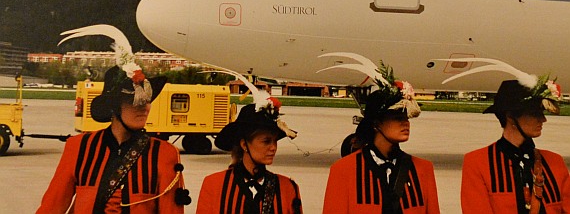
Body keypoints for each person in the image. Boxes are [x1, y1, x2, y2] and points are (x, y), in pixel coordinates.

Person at [37, 25, 191, 213]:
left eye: (147, 100)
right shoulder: (78, 147)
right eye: (135, 101)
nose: (145, 107)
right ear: (114, 106)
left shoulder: (165, 154)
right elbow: (52, 207)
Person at [320, 53, 440, 213]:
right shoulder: (343, 171)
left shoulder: (423, 170)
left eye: (406, 117)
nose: (406, 123)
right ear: (376, 123)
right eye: (397, 117)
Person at [449, 58, 570, 213]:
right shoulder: (477, 163)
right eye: (534, 113)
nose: (543, 119)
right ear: (511, 117)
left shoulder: (555, 163)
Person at [196, 70, 302, 213]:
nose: (273, 147)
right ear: (244, 144)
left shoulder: (288, 188)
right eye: (266, 141)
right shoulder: (214, 185)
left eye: (275, 141)